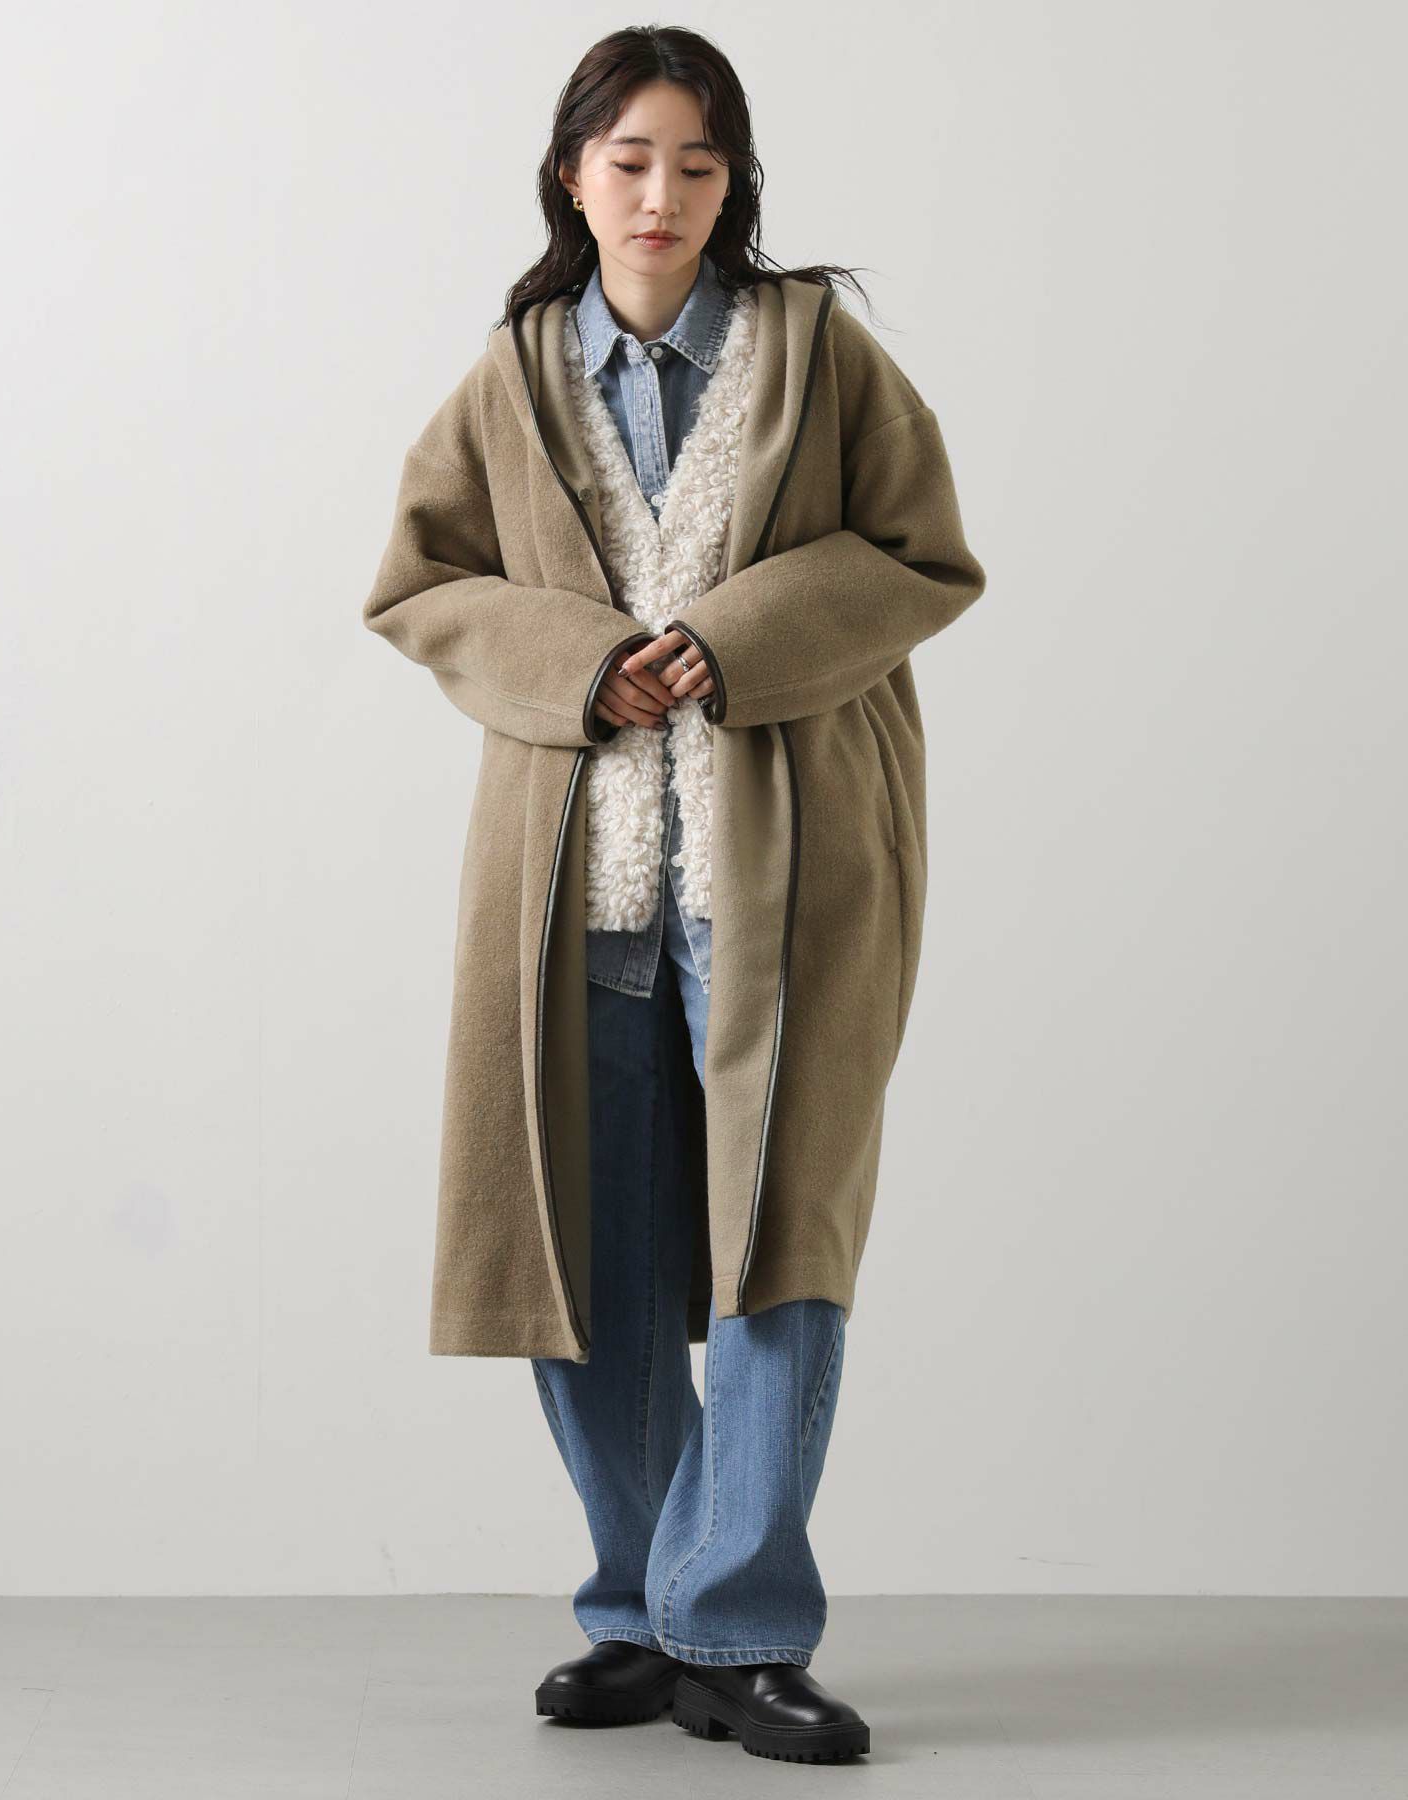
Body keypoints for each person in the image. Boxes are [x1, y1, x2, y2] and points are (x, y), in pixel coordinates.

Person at [361, 24, 986, 1768]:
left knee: (781, 1242)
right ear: (574, 175)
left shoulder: (817, 353)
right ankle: (644, 1605)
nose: (663, 194)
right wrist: (582, 661)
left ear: (735, 184)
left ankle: (743, 1625)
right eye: (631, 159)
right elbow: (420, 584)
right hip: (570, 885)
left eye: (699, 165)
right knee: (582, 1251)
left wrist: (729, 638)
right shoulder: (510, 378)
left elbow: (925, 555)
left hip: (788, 868)